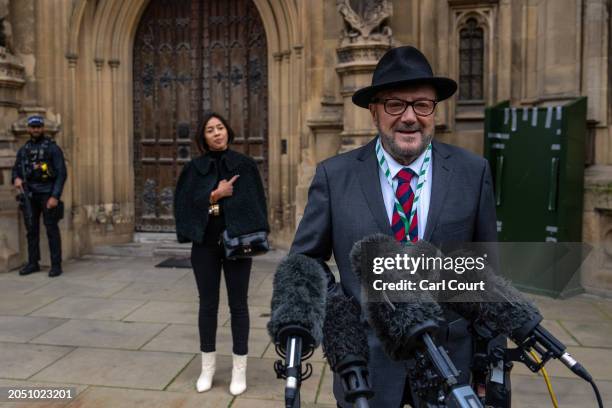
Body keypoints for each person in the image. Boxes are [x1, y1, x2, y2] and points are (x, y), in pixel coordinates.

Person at [290, 46, 502, 407]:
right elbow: (304, 263)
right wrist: (344, 312)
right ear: (374, 112)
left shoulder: (472, 171)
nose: (409, 117)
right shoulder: (335, 176)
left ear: (434, 109)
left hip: (450, 363)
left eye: (422, 105)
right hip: (367, 369)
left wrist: (492, 366)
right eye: (395, 105)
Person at [174, 112, 269, 396]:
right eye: (210, 130)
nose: (217, 133)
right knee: (207, 305)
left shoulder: (245, 165)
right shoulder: (194, 168)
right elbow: (183, 207)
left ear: (228, 131)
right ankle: (208, 368)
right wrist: (215, 195)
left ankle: (239, 370)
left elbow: (256, 206)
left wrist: (238, 214)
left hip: (238, 245)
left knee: (238, 306)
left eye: (220, 128)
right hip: (204, 246)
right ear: (202, 137)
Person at [12, 115, 67, 278]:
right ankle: (33, 263)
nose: (35, 130)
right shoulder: (24, 150)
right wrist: (16, 178)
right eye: (33, 127)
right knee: (31, 230)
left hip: (47, 194)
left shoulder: (52, 148)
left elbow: (61, 173)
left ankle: (56, 265)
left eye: (38, 127)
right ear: (28, 129)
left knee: (51, 230)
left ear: (43, 128)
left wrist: (55, 196)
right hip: (29, 195)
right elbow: (16, 170)